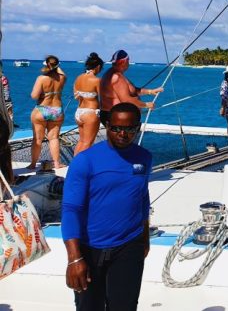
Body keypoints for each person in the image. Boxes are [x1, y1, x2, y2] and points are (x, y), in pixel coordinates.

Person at [62, 102, 152, 311]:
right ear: (106, 125)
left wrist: (145, 238)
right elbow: (70, 209)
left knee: (125, 306)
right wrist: (74, 258)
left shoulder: (144, 157)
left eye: (130, 129)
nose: (123, 133)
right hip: (89, 247)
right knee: (89, 307)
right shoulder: (85, 161)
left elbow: (142, 198)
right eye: (116, 128)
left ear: (138, 127)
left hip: (129, 245)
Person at [99, 50, 162, 124]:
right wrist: (146, 105)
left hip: (114, 115)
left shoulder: (114, 74)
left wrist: (150, 91)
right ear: (124, 61)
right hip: (116, 117)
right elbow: (126, 100)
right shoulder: (117, 77)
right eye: (128, 60)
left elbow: (133, 90)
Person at [29, 55, 67, 170]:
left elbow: (34, 96)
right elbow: (63, 74)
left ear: (46, 65)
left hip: (42, 109)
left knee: (38, 139)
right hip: (56, 110)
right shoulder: (62, 78)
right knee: (54, 138)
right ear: (57, 65)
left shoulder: (41, 78)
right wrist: (57, 67)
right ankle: (56, 163)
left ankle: (33, 164)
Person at [73, 53, 104, 155]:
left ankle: (74, 167)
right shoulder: (97, 80)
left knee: (81, 141)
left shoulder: (79, 78)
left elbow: (76, 96)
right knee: (87, 143)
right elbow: (104, 98)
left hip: (79, 112)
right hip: (90, 113)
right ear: (98, 67)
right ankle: (80, 168)